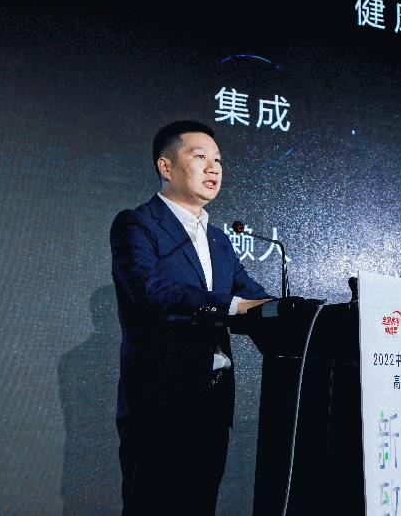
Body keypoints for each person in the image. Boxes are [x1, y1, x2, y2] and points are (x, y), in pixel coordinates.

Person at [110, 121, 270, 515]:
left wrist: (296, 312)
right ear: (166, 166)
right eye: (200, 157)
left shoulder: (219, 239)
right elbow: (151, 292)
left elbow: (252, 296)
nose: (214, 168)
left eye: (218, 160)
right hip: (159, 402)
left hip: (212, 401)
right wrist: (232, 306)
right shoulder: (137, 224)